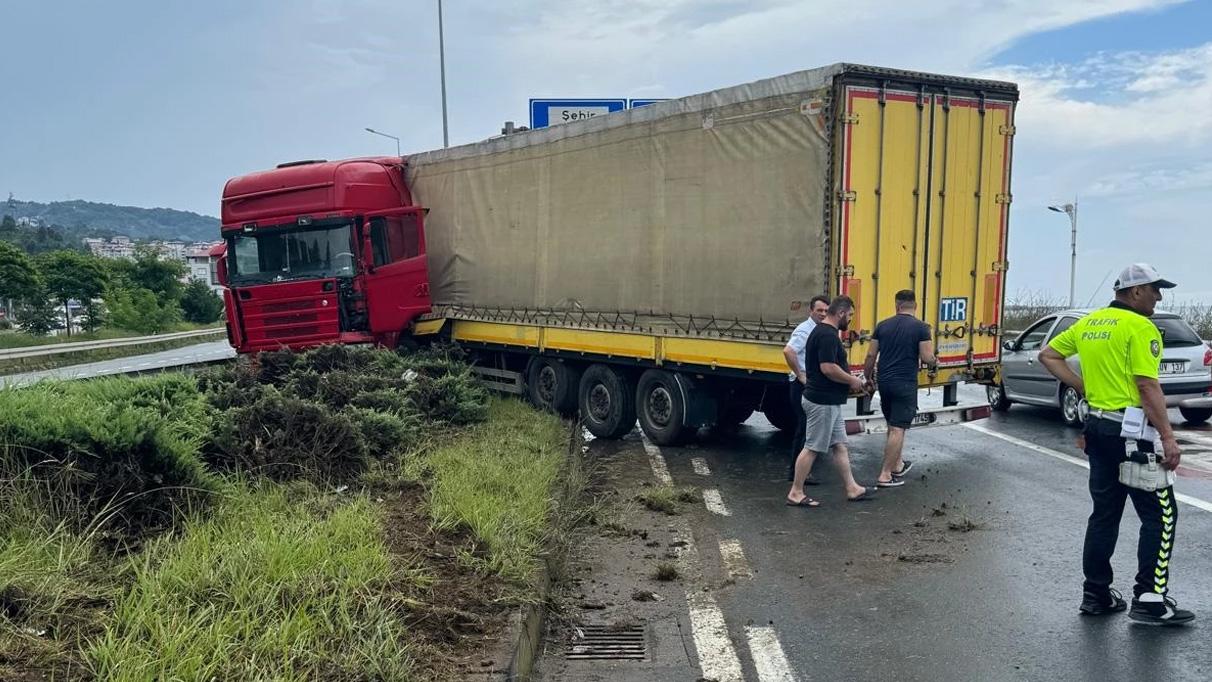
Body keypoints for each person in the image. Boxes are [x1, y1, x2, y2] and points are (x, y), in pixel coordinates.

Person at [1039, 263, 1194, 626]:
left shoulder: (1090, 323)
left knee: (1104, 514)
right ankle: (1151, 600)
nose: (1159, 297)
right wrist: (1168, 437)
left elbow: (1048, 355)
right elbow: (1146, 385)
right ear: (1136, 291)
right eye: (1155, 289)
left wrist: (1082, 387)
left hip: (1097, 429)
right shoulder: (1141, 327)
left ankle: (1096, 594)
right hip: (1132, 435)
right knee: (1161, 514)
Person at [786, 296, 876, 507]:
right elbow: (828, 368)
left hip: (829, 401)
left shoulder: (824, 332)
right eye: (850, 315)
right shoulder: (827, 335)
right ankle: (795, 492)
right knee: (812, 447)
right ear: (842, 312)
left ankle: (852, 488)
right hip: (821, 401)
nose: (851, 320)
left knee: (840, 445)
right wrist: (851, 380)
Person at [862, 290, 937, 487]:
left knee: (893, 425)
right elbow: (927, 357)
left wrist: (868, 377)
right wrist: (934, 363)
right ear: (915, 306)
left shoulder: (882, 326)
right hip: (905, 383)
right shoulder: (921, 328)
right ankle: (885, 475)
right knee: (898, 428)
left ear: (897, 306)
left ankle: (897, 464)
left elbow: (871, 355)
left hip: (885, 382)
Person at [783, 295, 830, 483]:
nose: (823, 314)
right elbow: (788, 351)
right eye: (819, 310)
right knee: (804, 429)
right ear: (811, 311)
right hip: (800, 386)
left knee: (808, 429)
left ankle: (800, 470)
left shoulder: (821, 329)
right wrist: (800, 375)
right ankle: (796, 472)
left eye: (826, 311)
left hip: (810, 385)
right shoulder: (805, 330)